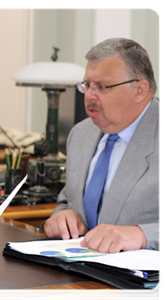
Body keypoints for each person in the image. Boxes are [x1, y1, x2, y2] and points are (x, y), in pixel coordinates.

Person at [44, 38, 162, 253]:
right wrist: (62, 216)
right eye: (87, 85)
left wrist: (143, 235)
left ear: (140, 90)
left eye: (102, 87)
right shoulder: (81, 133)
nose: (89, 95)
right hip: (81, 273)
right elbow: (67, 200)